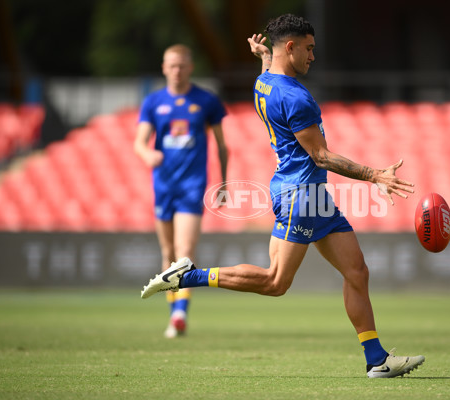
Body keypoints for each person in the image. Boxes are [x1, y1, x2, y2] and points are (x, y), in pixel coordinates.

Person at [140, 15, 424, 378]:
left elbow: (269, 77)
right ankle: (189, 276)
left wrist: (264, 58)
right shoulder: (294, 96)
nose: (313, 56)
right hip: (301, 195)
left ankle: (376, 359)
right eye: (308, 48)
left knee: (356, 270)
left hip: (310, 193)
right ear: (289, 47)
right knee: (276, 282)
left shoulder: (264, 82)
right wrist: (374, 175)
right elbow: (321, 156)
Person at [134, 44, 228, 338]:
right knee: (168, 252)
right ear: (164, 68)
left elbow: (223, 146)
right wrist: (147, 155)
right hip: (163, 185)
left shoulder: (206, 101)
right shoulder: (153, 102)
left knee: (184, 253)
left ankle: (179, 314)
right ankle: (173, 311)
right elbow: (139, 142)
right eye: (171, 65)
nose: (177, 71)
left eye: (182, 65)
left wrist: (224, 183)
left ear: (190, 67)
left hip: (192, 186)